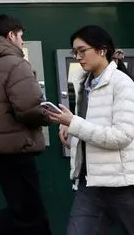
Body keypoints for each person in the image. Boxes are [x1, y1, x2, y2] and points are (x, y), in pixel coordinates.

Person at [0, 15, 50, 235]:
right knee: (31, 215)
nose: (22, 42)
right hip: (18, 150)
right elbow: (29, 108)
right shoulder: (17, 64)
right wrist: (52, 115)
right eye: (21, 36)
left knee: (21, 210)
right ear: (11, 35)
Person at [46, 25, 134, 234]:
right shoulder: (83, 83)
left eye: (82, 50)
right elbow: (89, 129)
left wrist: (74, 123)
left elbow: (122, 136)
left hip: (123, 184)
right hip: (89, 183)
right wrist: (70, 132)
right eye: (74, 52)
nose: (78, 57)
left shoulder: (123, 84)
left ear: (102, 50)